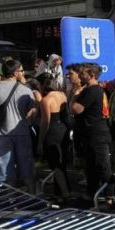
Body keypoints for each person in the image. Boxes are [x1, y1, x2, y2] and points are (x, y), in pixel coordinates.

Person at [0, 59, 37, 193]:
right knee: (27, 167)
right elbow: (32, 111)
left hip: (2, 134)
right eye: (22, 70)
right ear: (16, 72)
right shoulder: (26, 90)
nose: (22, 73)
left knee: (5, 169)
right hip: (22, 132)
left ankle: (10, 199)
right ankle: (33, 196)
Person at [70, 63, 115, 204]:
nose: (80, 75)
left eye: (83, 73)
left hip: (97, 134)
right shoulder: (89, 89)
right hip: (88, 134)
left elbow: (75, 109)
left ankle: (110, 197)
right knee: (90, 165)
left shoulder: (93, 90)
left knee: (103, 165)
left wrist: (75, 95)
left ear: (92, 76)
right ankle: (92, 193)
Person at [36, 73, 73, 202]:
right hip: (63, 130)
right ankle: (61, 193)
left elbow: (45, 122)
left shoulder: (46, 100)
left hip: (52, 132)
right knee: (61, 162)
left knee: (55, 164)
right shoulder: (62, 95)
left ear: (41, 85)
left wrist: (40, 141)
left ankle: (65, 194)